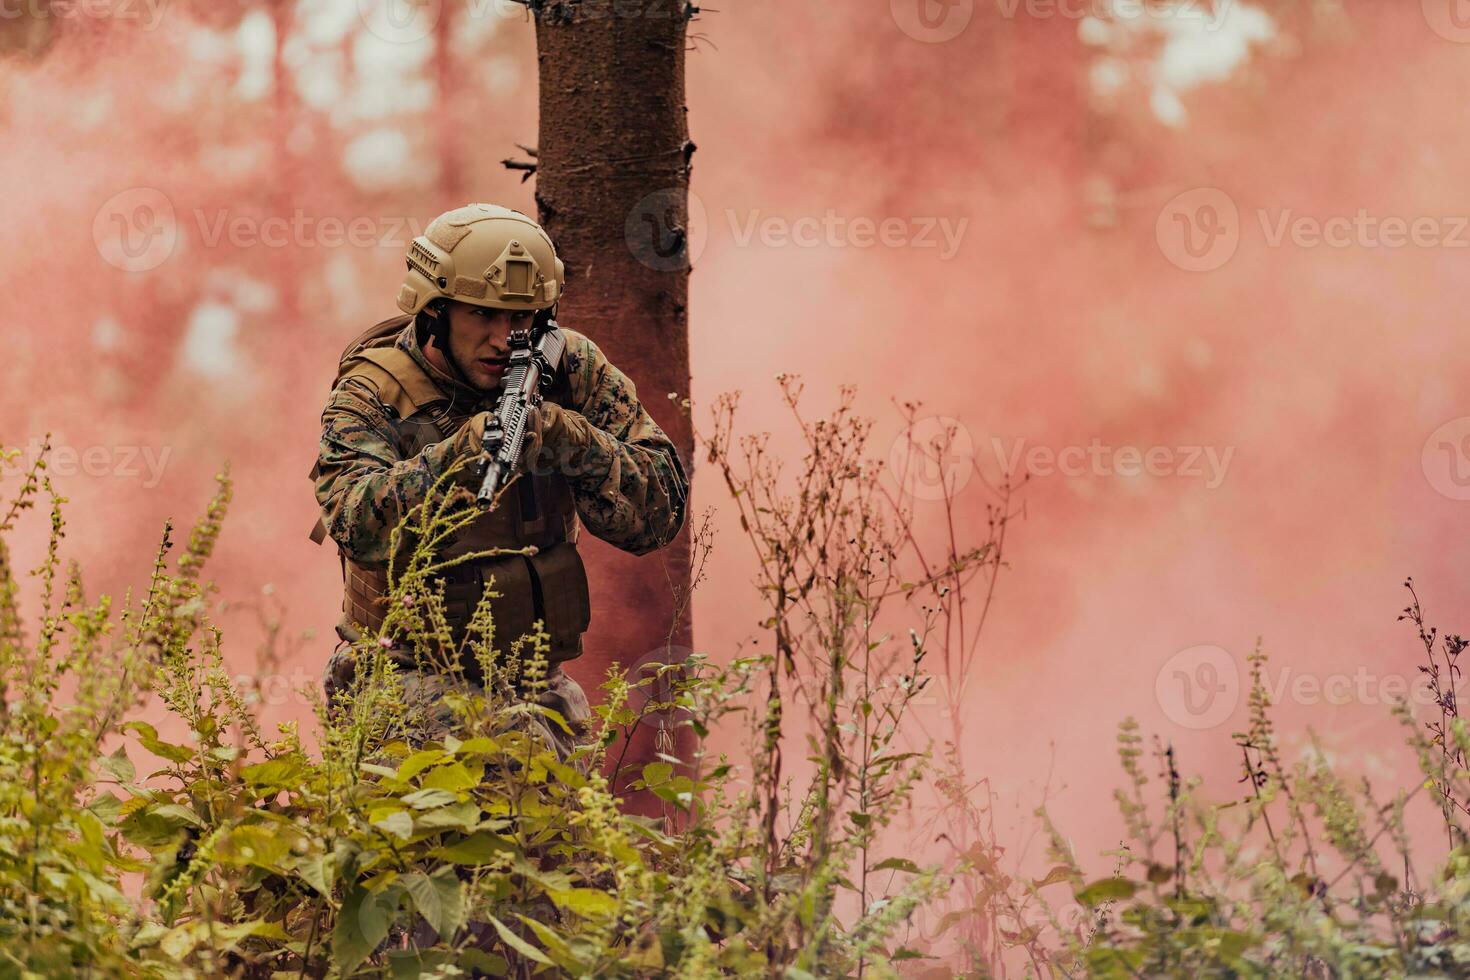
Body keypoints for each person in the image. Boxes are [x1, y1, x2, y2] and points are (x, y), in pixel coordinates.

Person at [309, 203, 689, 758]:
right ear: (434, 311)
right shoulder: (375, 390)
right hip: (402, 676)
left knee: (569, 837)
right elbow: (351, 523)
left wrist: (570, 439)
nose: (502, 339)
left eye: (521, 319)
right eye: (481, 316)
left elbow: (659, 514)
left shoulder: (567, 368)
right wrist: (457, 456)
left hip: (538, 685)